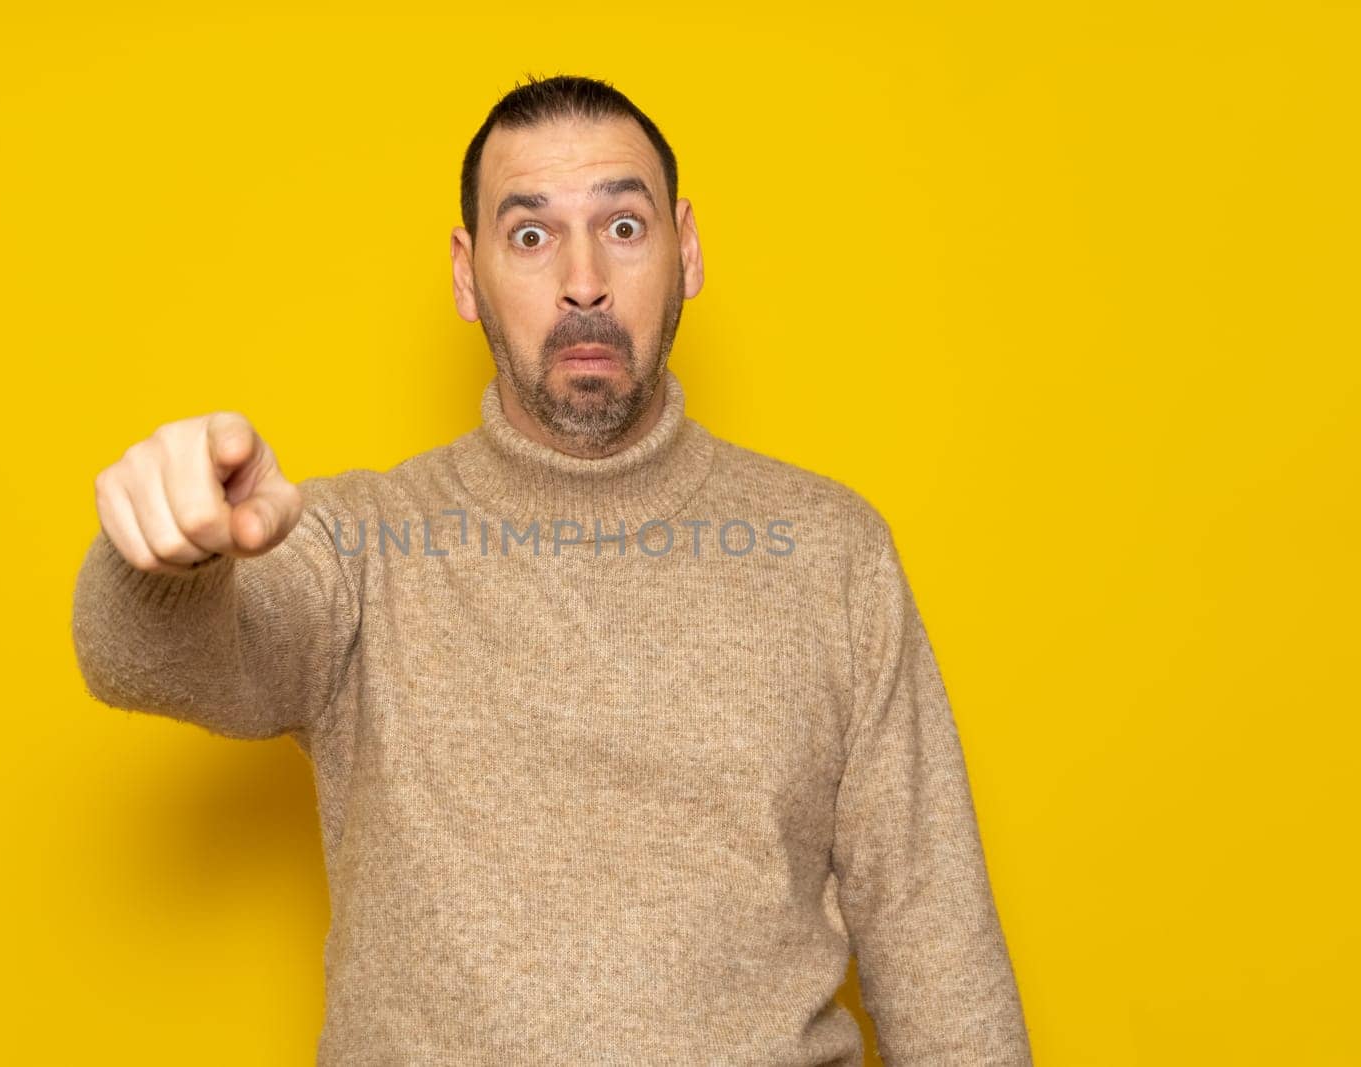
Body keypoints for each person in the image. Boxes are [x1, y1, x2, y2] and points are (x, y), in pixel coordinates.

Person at [71, 73, 1032, 1066]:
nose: (583, 280)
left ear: (686, 247)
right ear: (465, 272)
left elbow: (937, 948)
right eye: (529, 236)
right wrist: (167, 551)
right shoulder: (359, 543)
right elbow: (142, 658)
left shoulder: (830, 551)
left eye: (622, 226)